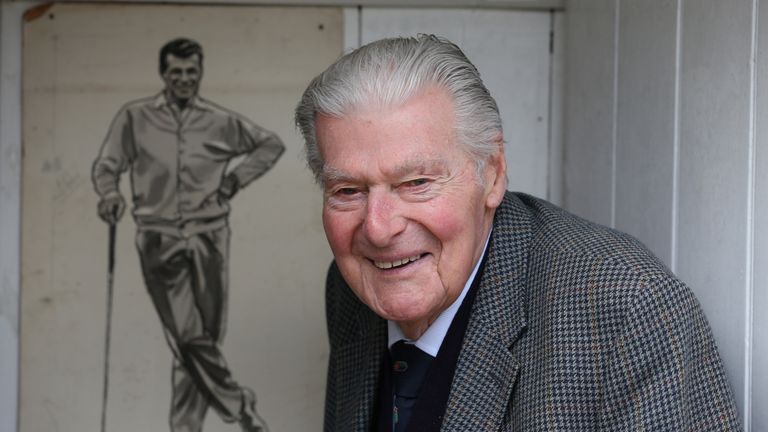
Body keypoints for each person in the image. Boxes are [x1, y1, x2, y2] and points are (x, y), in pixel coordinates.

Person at [295, 35, 742, 431]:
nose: (378, 228)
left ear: (492, 175)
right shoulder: (351, 286)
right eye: (348, 189)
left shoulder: (628, 308)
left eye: (416, 183)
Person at [92, 37, 284, 432]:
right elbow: (107, 166)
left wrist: (233, 182)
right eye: (176, 72)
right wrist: (110, 194)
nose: (184, 79)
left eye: (191, 72)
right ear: (164, 74)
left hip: (210, 236)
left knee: (203, 339)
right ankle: (239, 407)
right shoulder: (135, 117)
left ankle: (184, 427)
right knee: (189, 334)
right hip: (158, 239)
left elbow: (270, 144)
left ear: (200, 74)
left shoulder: (219, 121)